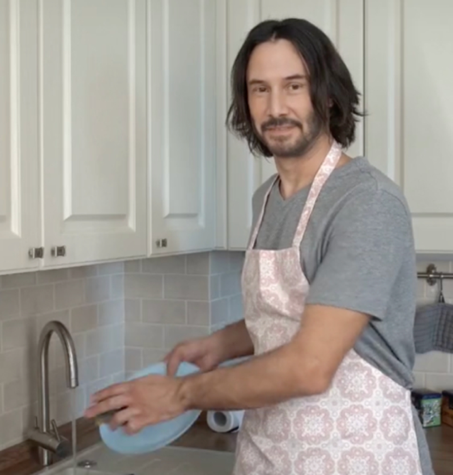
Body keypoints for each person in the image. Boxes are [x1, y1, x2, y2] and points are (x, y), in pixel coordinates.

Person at [85, 18, 434, 475]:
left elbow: (310, 364)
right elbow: (291, 316)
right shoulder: (267, 199)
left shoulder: (365, 202)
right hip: (270, 454)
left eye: (294, 86)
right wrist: (221, 345)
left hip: (357, 456)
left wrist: (180, 394)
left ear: (328, 95)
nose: (276, 107)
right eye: (258, 89)